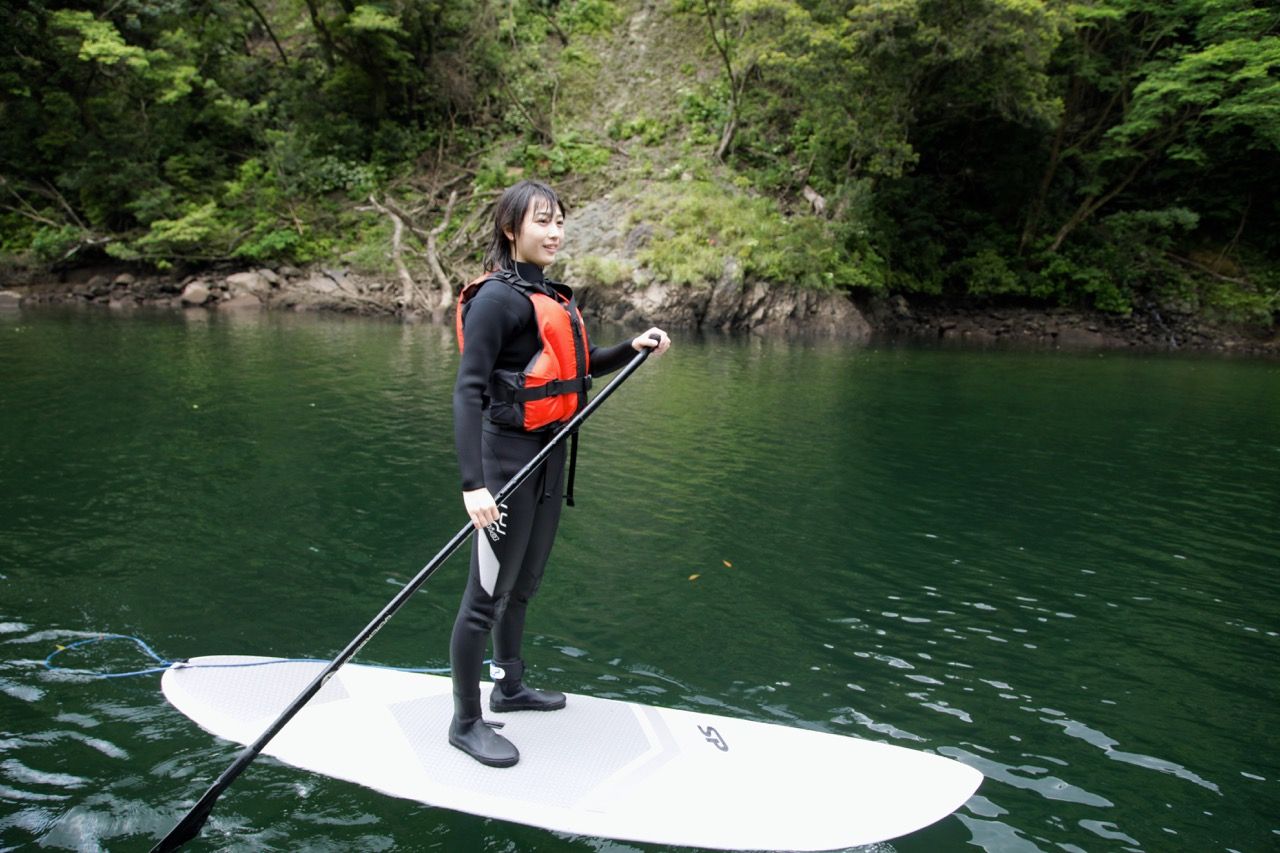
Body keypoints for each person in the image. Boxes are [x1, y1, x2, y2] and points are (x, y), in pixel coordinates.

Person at [449, 179, 670, 767]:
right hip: (505, 464)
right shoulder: (497, 300)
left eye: (560, 221)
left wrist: (632, 346)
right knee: (484, 600)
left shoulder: (551, 295)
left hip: (548, 461)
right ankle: (466, 722)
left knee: (525, 587)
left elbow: (578, 368)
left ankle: (511, 686)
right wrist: (473, 483)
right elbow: (469, 391)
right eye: (542, 221)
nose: (554, 232)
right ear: (510, 229)